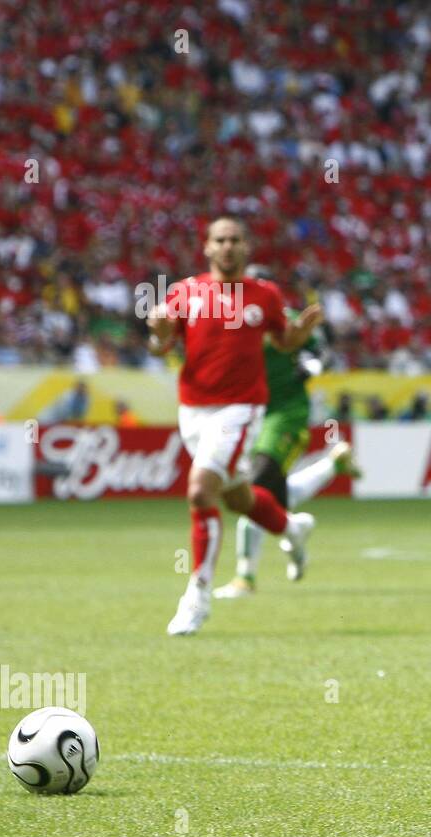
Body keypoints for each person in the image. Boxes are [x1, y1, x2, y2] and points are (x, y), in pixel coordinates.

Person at [146, 216, 322, 636]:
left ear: (248, 247)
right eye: (220, 240)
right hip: (193, 411)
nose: (227, 247)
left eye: (235, 240)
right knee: (238, 498)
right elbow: (161, 348)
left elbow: (283, 343)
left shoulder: (264, 294)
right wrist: (158, 335)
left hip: (240, 410)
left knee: (199, 490)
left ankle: (197, 594)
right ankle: (292, 527)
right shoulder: (184, 292)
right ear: (206, 247)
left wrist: (298, 335)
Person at [214, 265, 361, 600]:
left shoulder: (287, 317)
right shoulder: (227, 320)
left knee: (252, 485)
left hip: (286, 414)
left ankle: (245, 578)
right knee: (271, 497)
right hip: (247, 414)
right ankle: (296, 531)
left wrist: (312, 365)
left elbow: (320, 350)